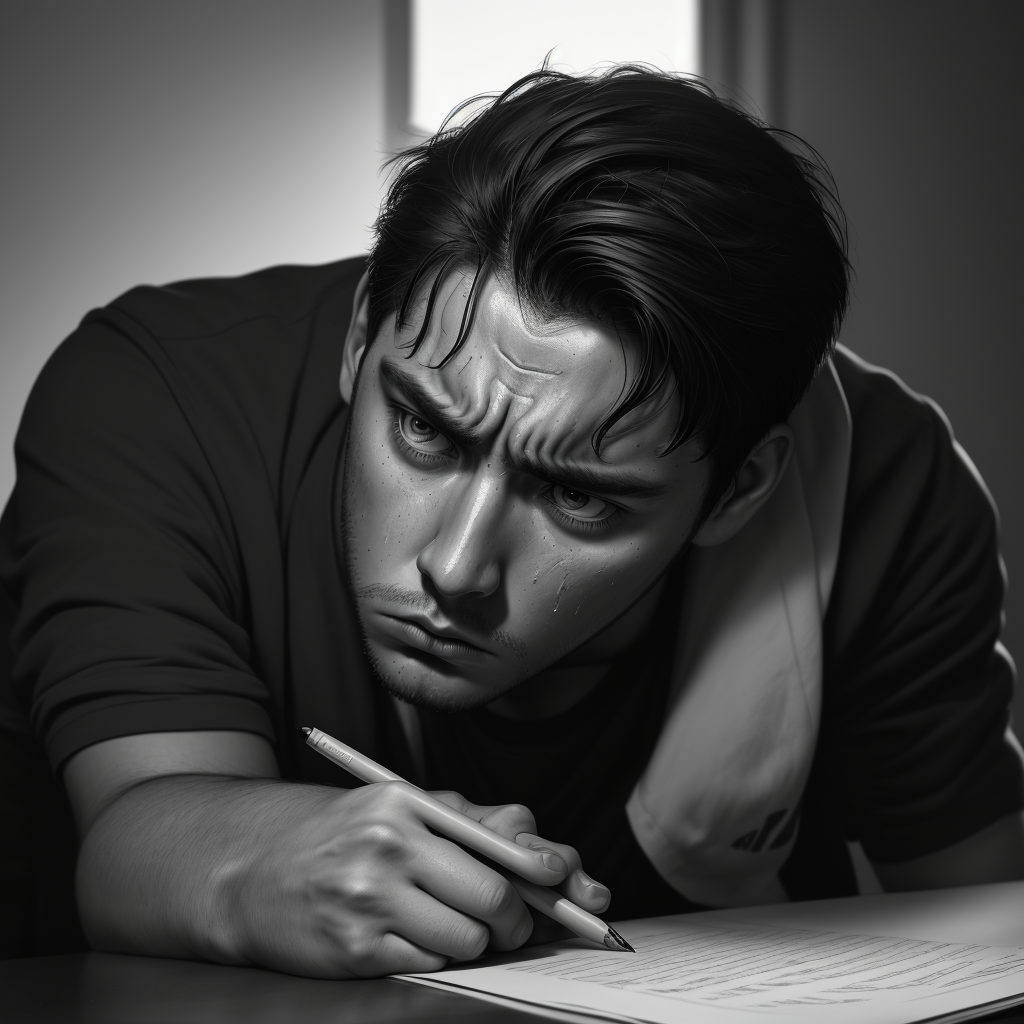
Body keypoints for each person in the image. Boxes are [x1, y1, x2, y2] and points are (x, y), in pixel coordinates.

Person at [1, 67, 1021, 976]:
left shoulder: (880, 484)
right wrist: (253, 862)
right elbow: (133, 838)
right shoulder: (155, 392)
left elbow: (988, 916)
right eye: (422, 429)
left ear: (741, 490)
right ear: (362, 335)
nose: (454, 566)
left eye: (579, 495)